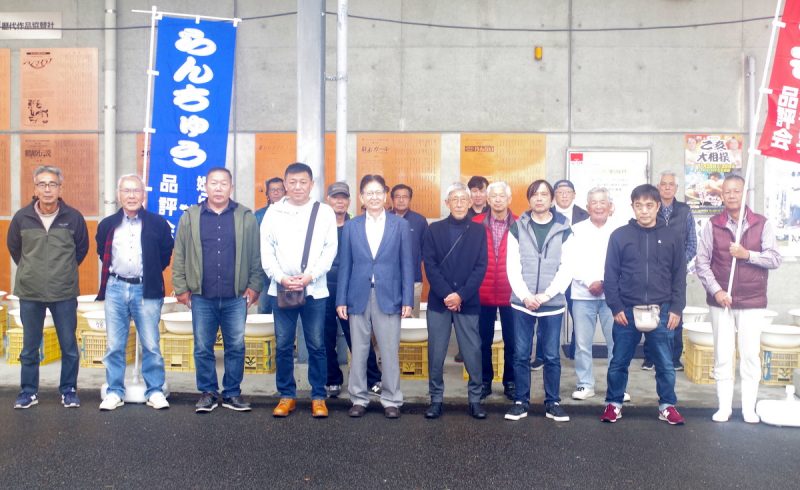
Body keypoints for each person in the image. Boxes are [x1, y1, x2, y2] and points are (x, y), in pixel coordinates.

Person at [172, 167, 262, 413]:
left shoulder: (245, 217)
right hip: (202, 296)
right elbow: (179, 255)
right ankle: (208, 392)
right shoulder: (190, 217)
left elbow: (256, 255)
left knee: (236, 346)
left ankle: (232, 392)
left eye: (224, 183)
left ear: (231, 187)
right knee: (203, 346)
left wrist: (254, 287)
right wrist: (181, 288)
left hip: (236, 296)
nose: (219, 188)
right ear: (205, 186)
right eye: (214, 183)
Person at [695, 174, 781, 423]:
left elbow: (774, 258)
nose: (732, 195)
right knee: (723, 355)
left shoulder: (762, 224)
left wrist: (747, 254)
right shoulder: (713, 225)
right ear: (721, 196)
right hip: (721, 301)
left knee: (750, 355)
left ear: (745, 194)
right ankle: (724, 407)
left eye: (737, 191)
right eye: (727, 192)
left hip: (752, 300)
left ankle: (748, 409)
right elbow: (702, 263)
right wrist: (717, 291)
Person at [601, 184, 687, 425]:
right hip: (627, 311)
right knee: (619, 361)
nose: (644, 211)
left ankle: (667, 405)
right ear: (632, 207)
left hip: (662, 310)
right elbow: (610, 275)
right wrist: (616, 307)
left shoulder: (672, 236)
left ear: (658, 206)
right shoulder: (620, 236)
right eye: (639, 206)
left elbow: (679, 275)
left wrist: (677, 308)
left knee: (665, 363)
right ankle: (614, 403)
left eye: (649, 205)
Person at [8, 165, 89, 409]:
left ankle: (69, 390)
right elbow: (15, 248)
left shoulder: (73, 217)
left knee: (69, 346)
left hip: (63, 292)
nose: (47, 189)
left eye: (52, 184)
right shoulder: (22, 218)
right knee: (30, 347)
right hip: (30, 292)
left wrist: (61, 272)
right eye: (42, 184)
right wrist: (32, 271)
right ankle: (28, 392)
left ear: (60, 188)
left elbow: (81, 250)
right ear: (35, 188)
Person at [261, 162, 338, 418]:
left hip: (314, 289)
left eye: (303, 182)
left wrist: (310, 276)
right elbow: (266, 251)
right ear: (284, 184)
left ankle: (318, 396)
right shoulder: (273, 212)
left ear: (311, 184)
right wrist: (281, 278)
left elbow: (330, 250)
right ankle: (287, 395)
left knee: (316, 344)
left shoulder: (324, 212)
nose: (297, 187)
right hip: (281, 289)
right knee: (283, 344)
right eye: (292, 182)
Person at [337, 175, 414, 419]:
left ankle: (391, 399)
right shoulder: (352, 226)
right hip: (358, 295)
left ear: (385, 195)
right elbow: (345, 265)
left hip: (388, 295)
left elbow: (407, 264)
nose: (374, 197)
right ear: (361, 197)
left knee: (389, 350)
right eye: (369, 193)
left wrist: (408, 300)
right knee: (359, 350)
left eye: (378, 192)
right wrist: (341, 299)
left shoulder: (399, 225)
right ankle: (359, 398)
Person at [96, 174, 174, 411]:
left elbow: (165, 254)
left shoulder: (157, 223)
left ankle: (155, 390)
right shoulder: (108, 224)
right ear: (118, 195)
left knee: (151, 343)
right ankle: (114, 391)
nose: (131, 196)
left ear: (144, 195)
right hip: (115, 287)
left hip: (146, 288)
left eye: (136, 191)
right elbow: (102, 252)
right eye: (126, 191)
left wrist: (148, 272)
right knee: (115, 344)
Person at [505, 180, 572, 423]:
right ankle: (520, 402)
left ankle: (552, 403)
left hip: (551, 304)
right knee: (521, 354)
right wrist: (525, 296)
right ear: (529, 199)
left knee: (552, 356)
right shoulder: (517, 227)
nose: (539, 198)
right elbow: (512, 266)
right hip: (522, 303)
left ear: (552, 199)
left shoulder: (564, 229)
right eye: (535, 194)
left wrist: (547, 295)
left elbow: (567, 267)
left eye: (544, 194)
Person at [422, 183, 488, 419]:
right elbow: (429, 265)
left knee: (472, 352)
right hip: (439, 302)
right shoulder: (434, 229)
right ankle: (436, 399)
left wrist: (461, 295)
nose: (459, 204)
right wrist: (447, 295)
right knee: (436, 352)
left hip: (467, 301)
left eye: (463, 199)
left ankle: (475, 399)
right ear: (447, 203)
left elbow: (480, 267)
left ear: (470, 203)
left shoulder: (479, 231)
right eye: (454, 199)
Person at [323, 181, 382, 399]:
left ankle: (372, 378)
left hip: (351, 288)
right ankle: (332, 379)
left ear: (349, 201)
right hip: (323, 287)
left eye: (343, 197)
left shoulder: (358, 225)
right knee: (325, 336)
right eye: (335, 197)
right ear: (328, 199)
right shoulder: (321, 226)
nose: (339, 201)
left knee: (358, 335)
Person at [563, 187, 618, 401]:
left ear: (610, 206)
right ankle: (585, 384)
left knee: (616, 343)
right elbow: (569, 261)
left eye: (602, 202)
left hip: (612, 296)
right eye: (594, 202)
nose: (598, 206)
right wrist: (589, 282)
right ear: (587, 207)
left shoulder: (619, 230)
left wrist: (604, 283)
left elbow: (624, 262)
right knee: (582, 343)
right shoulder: (575, 230)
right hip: (582, 294)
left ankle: (616, 386)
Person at [642, 171, 696, 371]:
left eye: (670, 184)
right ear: (658, 187)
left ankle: (674, 358)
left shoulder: (684, 211)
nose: (667, 187)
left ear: (676, 188)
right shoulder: (651, 209)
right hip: (653, 273)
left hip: (676, 273)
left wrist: (678, 265)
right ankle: (650, 357)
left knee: (675, 312)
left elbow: (692, 243)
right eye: (663, 184)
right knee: (650, 313)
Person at [472, 181, 517, 401]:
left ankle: (511, 382)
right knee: (482, 341)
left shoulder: (520, 224)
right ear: (488, 200)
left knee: (513, 341)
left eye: (502, 196)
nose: (498, 200)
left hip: (512, 292)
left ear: (509, 199)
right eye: (494, 196)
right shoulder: (476, 223)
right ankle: (484, 381)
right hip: (482, 290)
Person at [389, 183, 429, 316]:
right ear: (392, 199)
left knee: (410, 319)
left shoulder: (420, 221)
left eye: (405, 197)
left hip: (413, 280)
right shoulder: (384, 219)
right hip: (387, 280)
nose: (401, 200)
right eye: (397, 197)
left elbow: (426, 249)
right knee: (386, 319)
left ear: (410, 199)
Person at [254, 177, 286, 314]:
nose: (276, 192)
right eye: (273, 190)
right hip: (265, 272)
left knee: (287, 310)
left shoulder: (292, 214)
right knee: (264, 309)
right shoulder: (259, 215)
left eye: (280, 189)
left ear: (285, 192)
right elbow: (255, 243)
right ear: (267, 193)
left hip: (286, 271)